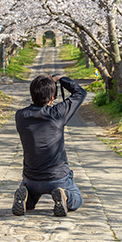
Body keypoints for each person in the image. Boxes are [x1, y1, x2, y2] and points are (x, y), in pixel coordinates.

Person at [12, 73, 87, 217]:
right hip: (58, 178)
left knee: (30, 199)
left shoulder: (20, 116)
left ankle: (26, 195)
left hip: (32, 178)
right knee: (77, 200)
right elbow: (80, 93)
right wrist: (61, 79)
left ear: (32, 94)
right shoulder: (58, 113)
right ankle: (64, 195)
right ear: (52, 98)